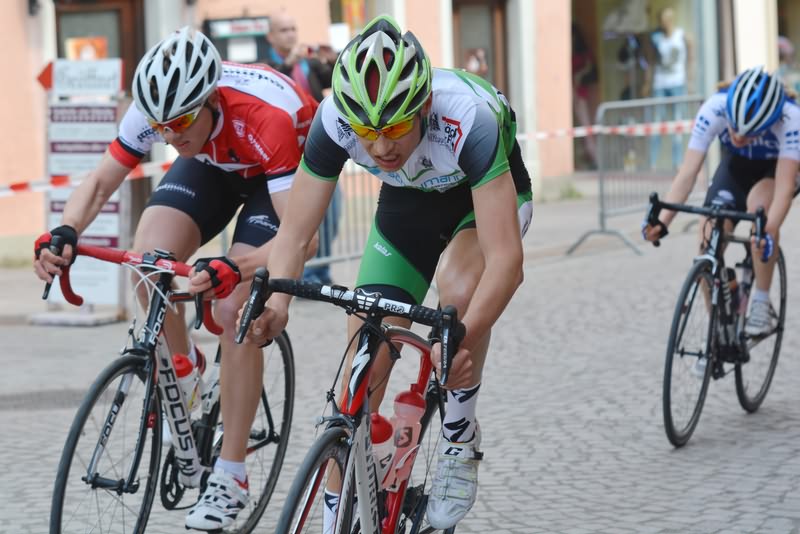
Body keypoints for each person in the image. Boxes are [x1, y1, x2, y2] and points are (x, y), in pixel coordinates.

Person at [242, 15, 533, 531]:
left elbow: (507, 263)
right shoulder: (335, 119)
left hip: (479, 198)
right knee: (361, 365)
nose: (380, 148)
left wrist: (460, 340)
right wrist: (279, 302)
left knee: (458, 290)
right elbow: (294, 233)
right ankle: (343, 504)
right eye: (367, 133)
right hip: (407, 203)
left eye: (396, 127)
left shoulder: (469, 117)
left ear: (424, 105)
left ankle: (458, 437)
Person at [33, 26, 318, 530]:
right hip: (212, 164)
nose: (169, 136)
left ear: (211, 99)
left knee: (233, 308)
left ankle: (231, 476)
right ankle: (187, 374)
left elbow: (302, 239)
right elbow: (99, 183)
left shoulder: (265, 116)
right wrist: (65, 230)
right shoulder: (163, 116)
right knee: (148, 262)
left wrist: (235, 269)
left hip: (272, 175)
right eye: (160, 127)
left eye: (181, 121)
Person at [643, 67, 800, 342]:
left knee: (760, 213)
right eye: (734, 129)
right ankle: (719, 334)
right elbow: (688, 173)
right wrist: (662, 222)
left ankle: (761, 302)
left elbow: (785, 189)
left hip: (774, 170)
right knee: (707, 237)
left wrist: (767, 232)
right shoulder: (715, 107)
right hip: (736, 167)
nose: (738, 137)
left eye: (748, 134)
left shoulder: (791, 119)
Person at [264, 10, 340, 284]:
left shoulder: (308, 63)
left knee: (332, 213)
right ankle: (301, 275)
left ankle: (320, 271)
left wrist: (334, 58)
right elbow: (269, 90)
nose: (291, 35)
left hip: (319, 146)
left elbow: (337, 78)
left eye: (293, 28)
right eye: (284, 30)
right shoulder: (267, 66)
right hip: (287, 154)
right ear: (271, 36)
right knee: (298, 219)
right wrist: (288, 65)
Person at [646, 6, 691, 170]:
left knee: (677, 122)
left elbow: (691, 58)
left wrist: (690, 80)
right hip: (660, 83)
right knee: (657, 122)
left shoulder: (682, 36)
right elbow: (651, 61)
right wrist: (647, 82)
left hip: (677, 83)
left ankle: (677, 161)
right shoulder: (656, 38)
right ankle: (653, 162)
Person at [572, 23, 598, 168]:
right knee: (581, 128)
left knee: (586, 126)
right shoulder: (572, 52)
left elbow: (590, 66)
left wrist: (580, 75)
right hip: (576, 91)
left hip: (581, 91)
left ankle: (593, 157)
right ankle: (587, 158)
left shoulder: (582, 53)